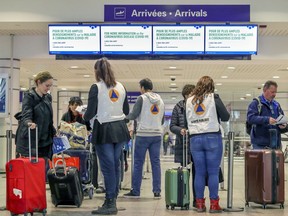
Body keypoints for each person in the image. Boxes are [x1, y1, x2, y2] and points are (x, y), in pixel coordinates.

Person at [83, 57, 130, 215]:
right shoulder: (121, 86)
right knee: (115, 166)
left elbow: (89, 113)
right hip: (120, 129)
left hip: (104, 129)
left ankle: (110, 202)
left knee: (108, 167)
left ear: (97, 71)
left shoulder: (96, 87)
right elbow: (126, 111)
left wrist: (83, 116)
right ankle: (113, 198)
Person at [186, 76, 230, 213]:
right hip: (212, 137)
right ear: (212, 86)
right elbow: (226, 117)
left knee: (199, 172)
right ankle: (214, 204)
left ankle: (199, 204)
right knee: (213, 172)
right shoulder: (214, 98)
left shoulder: (189, 101)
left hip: (195, 138)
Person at [123, 78, 164, 199]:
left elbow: (134, 115)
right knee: (155, 163)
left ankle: (136, 191)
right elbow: (161, 119)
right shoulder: (160, 100)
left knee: (138, 163)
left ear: (142, 88)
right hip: (156, 134)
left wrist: (123, 118)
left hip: (143, 135)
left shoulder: (142, 98)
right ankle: (157, 191)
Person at [15, 71, 56, 169]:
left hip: (45, 141)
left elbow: (48, 119)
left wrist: (54, 131)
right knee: (32, 170)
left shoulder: (47, 98)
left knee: (43, 170)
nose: (48, 88)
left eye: (50, 86)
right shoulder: (29, 97)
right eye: (47, 85)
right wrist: (29, 123)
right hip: (32, 139)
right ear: (38, 82)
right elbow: (26, 114)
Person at [169, 84, 196, 206]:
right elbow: (172, 125)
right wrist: (180, 130)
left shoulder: (198, 105)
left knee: (197, 172)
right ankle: (183, 198)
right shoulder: (178, 107)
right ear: (186, 95)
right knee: (184, 172)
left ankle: (197, 199)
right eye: (192, 94)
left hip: (196, 142)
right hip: (183, 143)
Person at [247, 80, 287, 149]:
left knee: (275, 160)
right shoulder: (256, 103)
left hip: (275, 143)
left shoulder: (276, 105)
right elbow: (250, 118)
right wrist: (267, 120)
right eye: (272, 92)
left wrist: (283, 125)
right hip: (260, 144)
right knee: (261, 160)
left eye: (275, 92)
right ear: (265, 90)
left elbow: (281, 118)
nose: (274, 94)